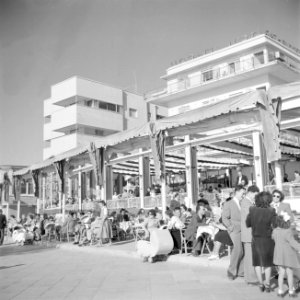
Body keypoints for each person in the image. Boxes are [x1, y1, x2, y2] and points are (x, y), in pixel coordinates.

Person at [246, 191, 276, 293]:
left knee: (257, 262)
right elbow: (275, 225)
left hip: (256, 239)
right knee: (268, 263)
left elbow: (248, 223)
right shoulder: (272, 210)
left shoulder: (252, 209)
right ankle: (267, 284)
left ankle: (260, 283)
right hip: (268, 239)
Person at [272, 213, 300, 298]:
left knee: (281, 273)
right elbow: (293, 243)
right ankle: (291, 291)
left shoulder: (275, 231)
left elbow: (274, 239)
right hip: (288, 257)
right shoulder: (287, 232)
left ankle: (280, 291)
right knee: (289, 274)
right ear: (286, 222)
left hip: (279, 256)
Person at [222, 185, 246, 280]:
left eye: (244, 194)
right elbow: (224, 217)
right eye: (242, 193)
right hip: (235, 230)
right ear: (237, 192)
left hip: (243, 229)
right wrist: (230, 227)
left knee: (244, 250)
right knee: (238, 249)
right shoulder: (229, 203)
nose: (243, 195)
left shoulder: (242, 203)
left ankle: (240, 271)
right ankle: (231, 271)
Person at [240, 185, 259, 284]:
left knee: (249, 257)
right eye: (255, 195)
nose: (255, 197)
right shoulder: (246, 202)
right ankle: (251, 278)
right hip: (249, 234)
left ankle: (249, 277)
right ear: (251, 193)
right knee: (250, 257)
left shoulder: (249, 202)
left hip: (249, 234)